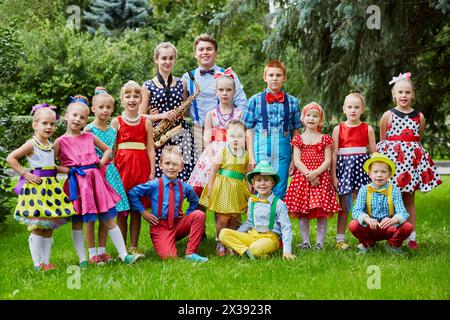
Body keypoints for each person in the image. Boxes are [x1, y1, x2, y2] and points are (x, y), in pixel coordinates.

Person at [54, 95, 140, 267]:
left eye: (82, 117)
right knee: (78, 221)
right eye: (75, 115)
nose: (78, 119)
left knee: (108, 217)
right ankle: (84, 258)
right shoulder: (60, 142)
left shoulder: (88, 136)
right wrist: (68, 170)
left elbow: (107, 150)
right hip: (77, 185)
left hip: (96, 182)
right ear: (67, 116)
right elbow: (51, 164)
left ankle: (124, 255)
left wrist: (101, 163)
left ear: (87, 121)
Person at [6, 104, 76, 270]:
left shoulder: (49, 144)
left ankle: (46, 261)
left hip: (51, 189)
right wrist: (25, 173)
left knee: (49, 226)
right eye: (45, 123)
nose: (49, 127)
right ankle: (37, 263)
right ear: (35, 125)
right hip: (37, 190)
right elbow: (11, 158)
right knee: (38, 226)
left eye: (52, 124)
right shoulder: (32, 144)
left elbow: (49, 165)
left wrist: (64, 170)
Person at [377, 72, 441, 250]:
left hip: (411, 165)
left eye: (407, 92)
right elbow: (383, 141)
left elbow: (417, 138)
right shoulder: (387, 115)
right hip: (392, 164)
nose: (403, 95)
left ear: (413, 95)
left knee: (409, 200)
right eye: (400, 92)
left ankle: (411, 237)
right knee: (390, 198)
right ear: (394, 95)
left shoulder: (418, 116)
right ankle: (390, 234)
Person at [128, 146, 208, 263]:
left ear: (181, 167)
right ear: (160, 165)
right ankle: (166, 243)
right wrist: (143, 212)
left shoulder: (184, 187)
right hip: (160, 227)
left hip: (177, 225)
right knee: (170, 258)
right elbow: (133, 193)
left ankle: (191, 253)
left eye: (175, 164)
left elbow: (195, 201)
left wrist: (187, 215)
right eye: (167, 163)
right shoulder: (154, 185)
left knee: (199, 214)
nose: (171, 167)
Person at [284, 102, 341, 250]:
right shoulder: (298, 139)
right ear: (303, 118)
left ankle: (319, 243)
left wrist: (316, 173)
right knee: (303, 212)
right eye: (308, 115)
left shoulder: (325, 139)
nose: (311, 118)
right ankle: (306, 242)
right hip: (302, 179)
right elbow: (296, 160)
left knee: (321, 211)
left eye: (315, 116)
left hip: (321, 179)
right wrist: (309, 175)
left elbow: (327, 160)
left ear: (320, 120)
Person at [242, 59, 301, 199]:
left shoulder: (292, 102)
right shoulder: (254, 100)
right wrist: (251, 156)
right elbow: (248, 130)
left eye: (278, 75)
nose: (275, 78)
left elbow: (296, 132)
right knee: (261, 185)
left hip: (283, 152)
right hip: (261, 150)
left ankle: (276, 220)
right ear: (265, 77)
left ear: (284, 78)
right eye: (271, 75)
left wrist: (294, 158)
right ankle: (259, 220)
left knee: (279, 187)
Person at [84, 87, 131, 264]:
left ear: (112, 109)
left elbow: (114, 152)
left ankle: (103, 250)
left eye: (108, 107)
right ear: (93, 109)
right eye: (101, 107)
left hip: (110, 173)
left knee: (107, 214)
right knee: (92, 217)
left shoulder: (113, 131)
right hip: (93, 174)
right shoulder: (89, 130)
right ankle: (92, 253)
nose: (105, 110)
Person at [182, 33, 247, 159]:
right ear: (195, 54)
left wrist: (237, 128)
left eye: (209, 49)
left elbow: (241, 102)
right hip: (198, 131)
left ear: (216, 52)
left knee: (227, 166)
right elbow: (183, 108)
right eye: (201, 49)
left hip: (225, 130)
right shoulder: (187, 77)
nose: (205, 52)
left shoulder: (228, 74)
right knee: (201, 167)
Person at [139, 42, 196, 181]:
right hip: (158, 135)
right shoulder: (147, 86)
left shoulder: (181, 83)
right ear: (156, 59)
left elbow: (185, 110)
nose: (167, 61)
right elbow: (139, 115)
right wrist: (161, 115)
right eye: (164, 58)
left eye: (171, 58)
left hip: (180, 133)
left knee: (182, 171)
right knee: (160, 173)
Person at [111, 81, 156, 256]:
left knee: (137, 207)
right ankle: (121, 247)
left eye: (136, 96)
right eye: (128, 96)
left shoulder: (146, 122)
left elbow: (151, 148)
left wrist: (152, 172)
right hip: (122, 169)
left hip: (140, 168)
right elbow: (113, 148)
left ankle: (134, 245)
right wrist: (112, 170)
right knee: (123, 209)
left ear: (141, 99)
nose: (132, 99)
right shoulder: (117, 122)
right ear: (122, 99)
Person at [219, 161, 296, 260]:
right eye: (258, 180)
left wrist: (287, 251)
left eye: (266, 180)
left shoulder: (278, 204)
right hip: (252, 235)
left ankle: (245, 251)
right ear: (253, 184)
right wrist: (237, 236)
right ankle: (247, 252)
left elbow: (286, 227)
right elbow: (250, 222)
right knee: (223, 233)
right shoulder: (252, 200)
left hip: (270, 238)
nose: (262, 183)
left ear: (272, 183)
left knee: (255, 248)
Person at [330, 92, 376, 250]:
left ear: (362, 109)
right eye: (349, 107)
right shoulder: (338, 129)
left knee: (363, 205)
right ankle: (340, 239)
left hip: (362, 171)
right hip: (345, 171)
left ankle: (365, 238)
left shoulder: (367, 129)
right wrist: (334, 176)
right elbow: (334, 153)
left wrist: (374, 175)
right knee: (344, 206)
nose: (353, 110)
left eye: (357, 107)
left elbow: (374, 154)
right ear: (344, 109)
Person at [199, 120, 251, 256]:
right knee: (223, 218)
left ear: (245, 137)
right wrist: (210, 188)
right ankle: (219, 242)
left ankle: (230, 242)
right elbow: (213, 170)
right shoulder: (223, 152)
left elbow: (247, 175)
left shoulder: (245, 155)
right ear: (227, 136)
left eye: (239, 136)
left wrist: (249, 190)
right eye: (232, 136)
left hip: (238, 190)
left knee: (234, 218)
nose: (235, 139)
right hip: (223, 188)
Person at [188, 69, 243, 198]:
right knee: (205, 188)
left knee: (229, 188)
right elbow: (207, 139)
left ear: (234, 92)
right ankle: (200, 214)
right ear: (216, 92)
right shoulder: (211, 114)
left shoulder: (239, 114)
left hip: (233, 152)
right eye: (221, 90)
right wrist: (212, 156)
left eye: (228, 90)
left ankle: (229, 216)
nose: (225, 93)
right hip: (214, 151)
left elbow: (242, 139)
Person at [349, 153, 413, 254]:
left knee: (407, 227)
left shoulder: (394, 190)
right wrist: (367, 219)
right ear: (369, 173)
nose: (379, 175)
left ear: (389, 174)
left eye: (383, 172)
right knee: (353, 225)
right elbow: (356, 211)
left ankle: (392, 245)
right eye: (375, 172)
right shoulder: (364, 190)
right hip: (370, 227)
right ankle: (368, 244)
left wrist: (393, 220)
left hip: (388, 227)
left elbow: (403, 212)